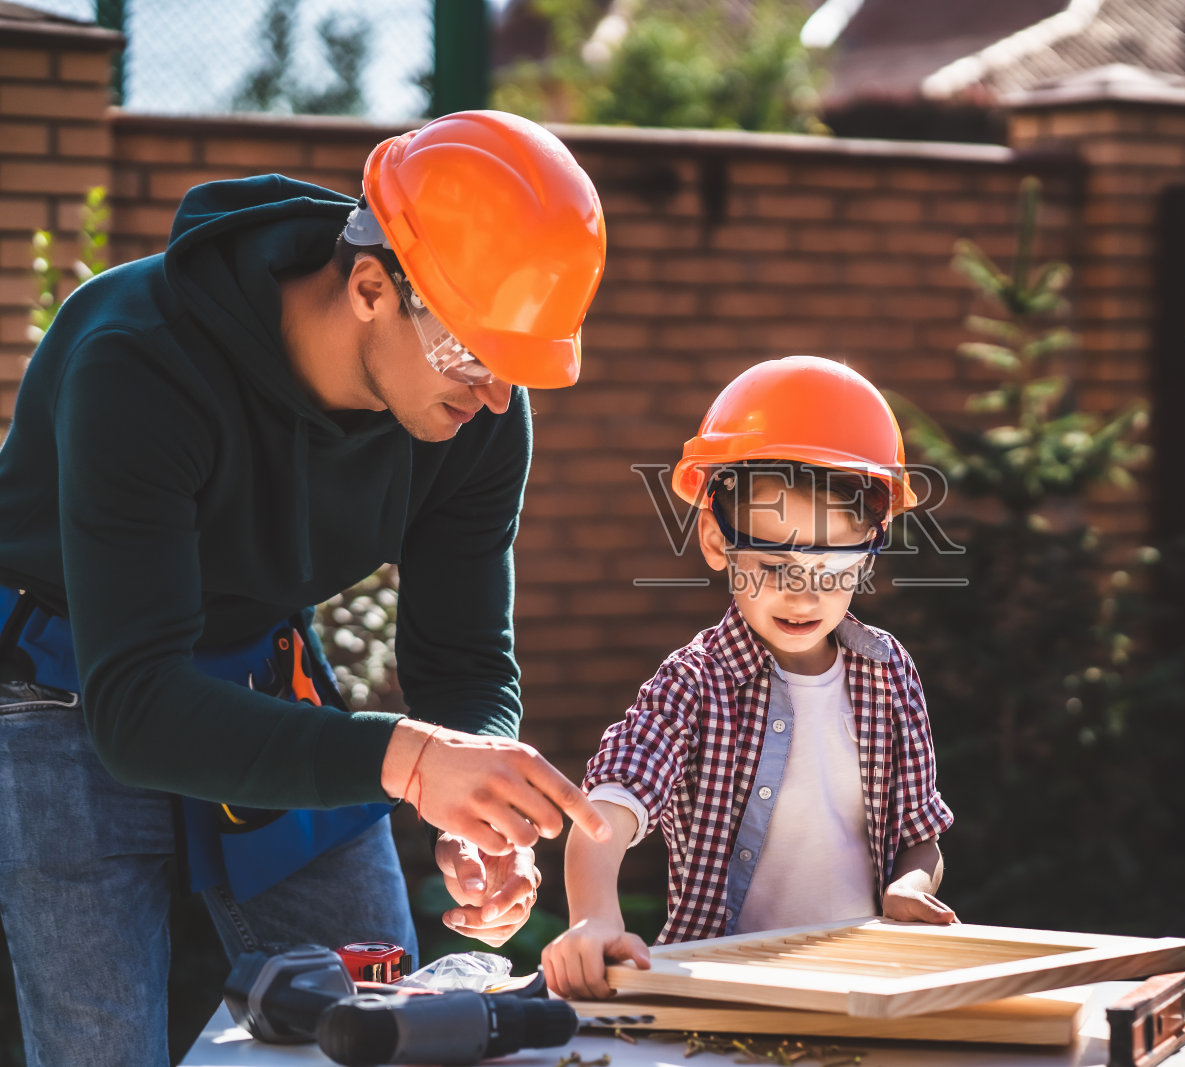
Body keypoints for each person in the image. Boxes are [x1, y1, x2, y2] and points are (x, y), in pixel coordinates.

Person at [0, 110, 611, 1066]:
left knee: (385, 1023)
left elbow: (463, 658)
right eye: (472, 356)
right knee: (100, 1048)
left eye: (516, 367)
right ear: (370, 284)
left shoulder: (479, 410)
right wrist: (408, 762)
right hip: (68, 677)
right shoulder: (137, 355)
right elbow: (138, 711)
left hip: (254, 665)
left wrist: (480, 793)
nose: (494, 395)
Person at [541, 355, 957, 1000]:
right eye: (770, 563)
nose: (801, 595)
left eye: (829, 570)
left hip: (859, 986)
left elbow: (919, 837)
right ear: (715, 540)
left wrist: (908, 888)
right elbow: (607, 809)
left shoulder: (889, 674)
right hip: (721, 989)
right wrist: (595, 916)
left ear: (872, 548)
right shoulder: (696, 683)